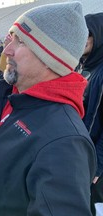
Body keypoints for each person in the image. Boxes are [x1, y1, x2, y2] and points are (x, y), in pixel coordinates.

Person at [0, 2, 96, 215]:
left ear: (50, 58)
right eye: (11, 38)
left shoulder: (64, 142)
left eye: (21, 41)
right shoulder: (14, 92)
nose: (7, 50)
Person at [76, 12, 103, 216]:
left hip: (94, 163)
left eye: (89, 33)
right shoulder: (86, 66)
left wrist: (98, 165)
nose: (83, 38)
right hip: (82, 153)